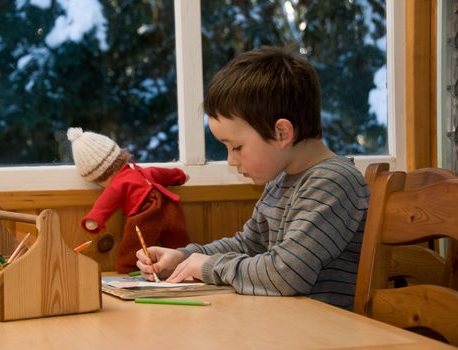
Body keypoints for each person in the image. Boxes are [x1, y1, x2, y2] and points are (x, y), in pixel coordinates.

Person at [136, 46, 369, 310]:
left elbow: (286, 274)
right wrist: (184, 257)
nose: (231, 160)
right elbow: (248, 245)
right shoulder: (281, 181)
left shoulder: (333, 182)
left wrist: (208, 266)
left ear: (282, 133)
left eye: (236, 147)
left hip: (326, 330)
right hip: (284, 320)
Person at [67, 127, 191, 273]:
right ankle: (184, 263)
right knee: (178, 242)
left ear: (99, 177)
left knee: (135, 246)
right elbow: (163, 174)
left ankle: (128, 269)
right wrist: (180, 176)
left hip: (145, 214)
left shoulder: (117, 185)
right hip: (170, 207)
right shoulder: (139, 170)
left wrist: (94, 219)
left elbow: (105, 204)